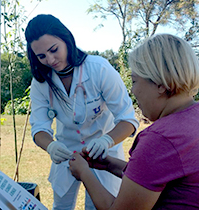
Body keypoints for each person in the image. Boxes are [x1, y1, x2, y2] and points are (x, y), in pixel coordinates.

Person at [69, 33, 199, 209]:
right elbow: (155, 176)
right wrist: (109, 164)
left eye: (134, 81)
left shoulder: (161, 138)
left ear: (160, 84)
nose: (133, 90)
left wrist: (84, 173)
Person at [25, 14, 139, 210]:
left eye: (54, 50)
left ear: (66, 38)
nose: (50, 60)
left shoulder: (99, 69)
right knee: (61, 206)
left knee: (99, 206)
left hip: (104, 154)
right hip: (66, 153)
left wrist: (106, 141)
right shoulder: (41, 82)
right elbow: (39, 129)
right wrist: (51, 147)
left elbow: (128, 120)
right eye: (41, 56)